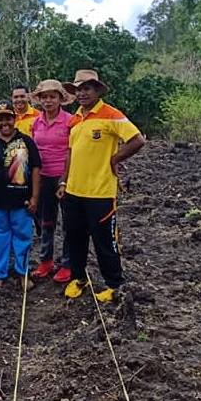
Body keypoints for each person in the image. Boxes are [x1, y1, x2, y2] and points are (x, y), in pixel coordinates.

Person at [58, 69, 146, 302]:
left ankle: (113, 284)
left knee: (105, 241)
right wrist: (64, 181)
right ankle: (78, 279)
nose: (82, 94)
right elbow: (70, 153)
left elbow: (137, 140)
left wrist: (115, 158)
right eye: (78, 90)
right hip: (74, 191)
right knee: (75, 238)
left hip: (100, 193)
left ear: (97, 90)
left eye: (87, 88)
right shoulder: (75, 118)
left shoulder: (111, 114)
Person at [0, 100, 41, 288]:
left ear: (14, 119)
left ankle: (23, 272)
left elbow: (36, 170)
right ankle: (0, 273)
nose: (5, 123)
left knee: (23, 238)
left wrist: (35, 198)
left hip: (21, 200)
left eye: (8, 119)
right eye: (0, 119)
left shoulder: (26, 142)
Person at [29, 80, 74, 282]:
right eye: (44, 97)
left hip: (65, 177)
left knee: (68, 223)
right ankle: (46, 261)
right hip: (43, 177)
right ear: (39, 100)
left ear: (60, 99)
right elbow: (34, 152)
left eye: (52, 96)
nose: (48, 101)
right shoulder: (36, 123)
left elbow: (72, 152)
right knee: (46, 221)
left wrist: (64, 179)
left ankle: (67, 263)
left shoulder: (70, 121)